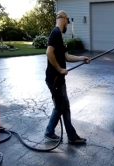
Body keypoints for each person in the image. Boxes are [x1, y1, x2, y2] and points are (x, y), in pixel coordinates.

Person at [45, 10, 90, 144]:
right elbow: (48, 52)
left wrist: (82, 58)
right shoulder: (56, 33)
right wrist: (59, 69)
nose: (68, 24)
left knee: (62, 106)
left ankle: (61, 134)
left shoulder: (59, 36)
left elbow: (66, 56)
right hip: (55, 79)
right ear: (63, 18)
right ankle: (69, 136)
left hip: (58, 79)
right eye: (68, 21)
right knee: (62, 106)